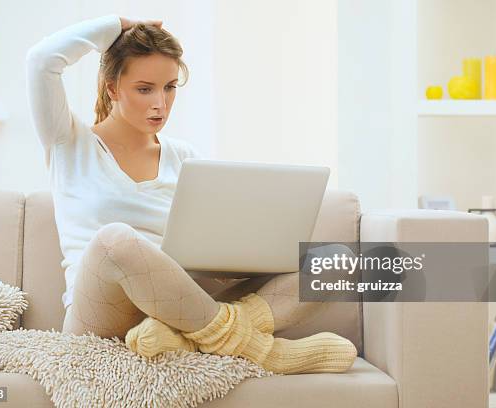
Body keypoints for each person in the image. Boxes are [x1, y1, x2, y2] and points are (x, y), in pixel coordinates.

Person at [26, 14, 356, 375]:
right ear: (111, 88)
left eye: (169, 87)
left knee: (337, 262)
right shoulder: (69, 143)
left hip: (179, 306)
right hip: (102, 313)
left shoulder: (183, 157)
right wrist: (118, 25)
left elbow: (207, 249)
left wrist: (243, 255)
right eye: (144, 88)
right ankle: (258, 349)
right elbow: (42, 60)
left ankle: (180, 337)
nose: (160, 103)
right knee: (115, 240)